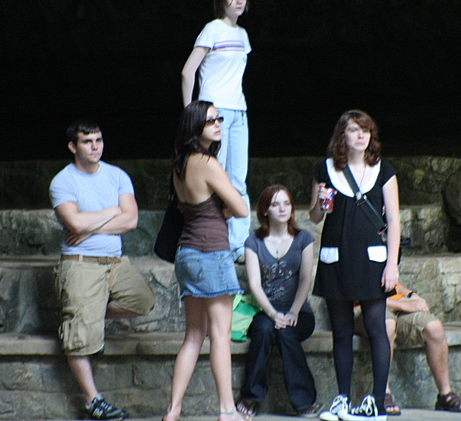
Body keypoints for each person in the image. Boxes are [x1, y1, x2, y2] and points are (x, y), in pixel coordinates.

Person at [50, 120, 156, 421]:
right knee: (78, 337)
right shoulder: (63, 181)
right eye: (87, 141)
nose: (95, 146)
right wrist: (112, 211)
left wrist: (90, 225)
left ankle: (89, 314)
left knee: (144, 300)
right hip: (80, 262)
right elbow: (75, 223)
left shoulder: (117, 176)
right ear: (73, 147)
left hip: (115, 263)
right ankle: (93, 401)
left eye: (98, 140)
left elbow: (131, 220)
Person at [309, 110, 402, 421]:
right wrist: (320, 200)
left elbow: (394, 220)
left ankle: (377, 402)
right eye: (353, 130)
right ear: (342, 136)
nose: (361, 136)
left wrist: (392, 265)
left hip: (372, 260)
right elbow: (315, 217)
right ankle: (343, 399)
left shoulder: (384, 170)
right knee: (341, 330)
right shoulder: (324, 169)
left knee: (377, 328)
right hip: (336, 257)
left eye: (366, 130)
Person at [163, 101, 250, 421]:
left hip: (186, 253)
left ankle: (173, 411)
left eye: (219, 119)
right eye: (210, 120)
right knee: (220, 335)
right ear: (195, 126)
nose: (218, 124)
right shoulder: (207, 163)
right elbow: (241, 208)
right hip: (211, 252)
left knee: (193, 336)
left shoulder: (180, 162)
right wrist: (226, 206)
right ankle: (227, 410)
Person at [181, 0, 252, 261]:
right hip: (214, 111)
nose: (238, 1)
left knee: (238, 179)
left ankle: (239, 245)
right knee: (215, 176)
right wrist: (191, 113)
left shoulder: (243, 35)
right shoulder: (212, 29)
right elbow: (188, 71)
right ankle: (216, 240)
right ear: (221, 0)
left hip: (239, 110)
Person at [236, 185, 320, 418]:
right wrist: (274, 314)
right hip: (267, 311)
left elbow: (305, 279)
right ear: (265, 210)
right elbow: (254, 284)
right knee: (264, 329)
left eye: (286, 203)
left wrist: (293, 312)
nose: (282, 209)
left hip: (299, 312)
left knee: (285, 333)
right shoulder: (254, 241)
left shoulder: (304, 238)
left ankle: (304, 401)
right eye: (275, 204)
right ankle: (251, 397)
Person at [381, 283, 461, 414]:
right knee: (387, 325)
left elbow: (391, 282)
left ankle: (445, 394)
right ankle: (382, 394)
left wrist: (412, 295)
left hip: (396, 304)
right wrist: (403, 305)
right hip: (367, 306)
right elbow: (360, 294)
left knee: (434, 328)